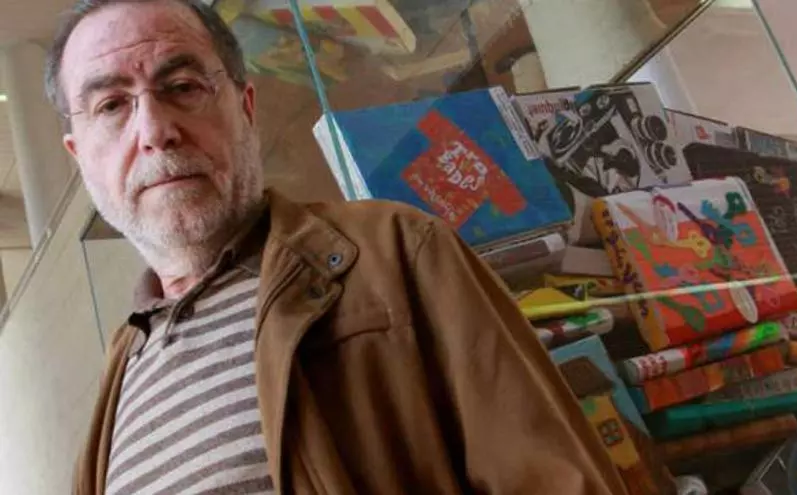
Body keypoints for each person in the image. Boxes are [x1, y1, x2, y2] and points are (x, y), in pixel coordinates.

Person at [48, 0, 626, 493]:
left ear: (246, 109)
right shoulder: (120, 379)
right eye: (111, 105)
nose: (155, 131)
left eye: (182, 88)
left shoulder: (396, 251)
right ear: (80, 157)